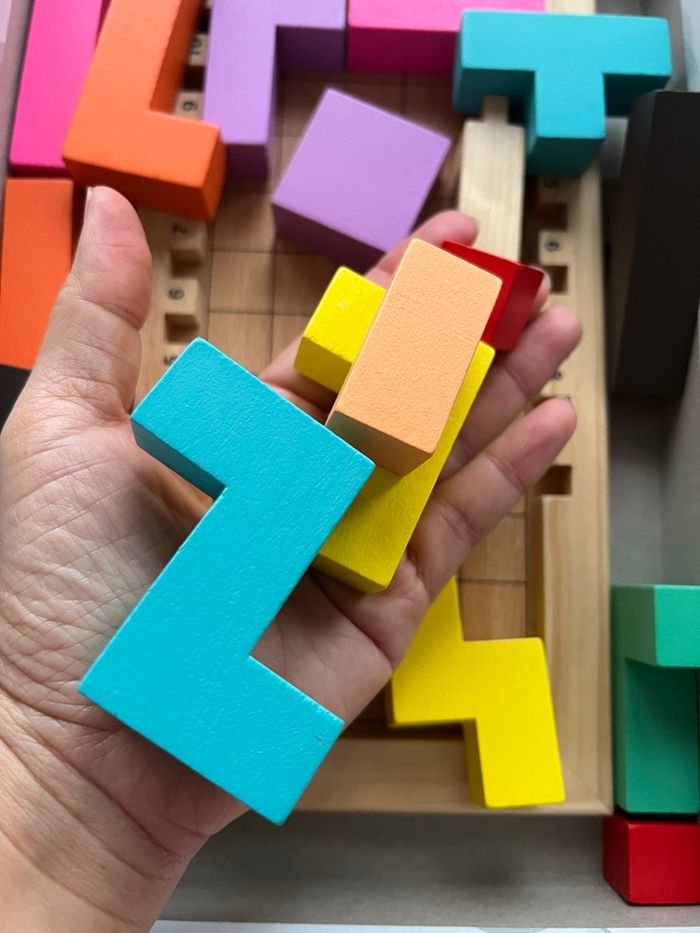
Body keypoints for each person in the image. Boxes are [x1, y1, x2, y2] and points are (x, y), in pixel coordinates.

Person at [0, 187, 581, 931]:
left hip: (284, 540)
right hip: (214, 618)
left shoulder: (312, 469)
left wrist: (55, 797)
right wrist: (53, 780)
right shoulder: (297, 469)